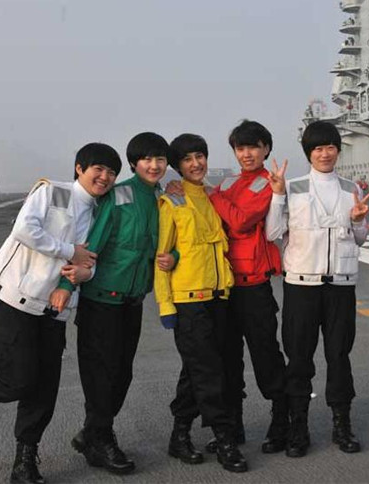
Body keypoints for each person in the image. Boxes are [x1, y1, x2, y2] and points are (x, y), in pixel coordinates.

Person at [0, 143, 121, 484]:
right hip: (16, 300)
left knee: (43, 390)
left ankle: (24, 460)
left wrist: (85, 273)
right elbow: (24, 230)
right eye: (98, 168)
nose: (105, 177)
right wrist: (70, 251)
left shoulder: (100, 213)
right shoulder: (54, 193)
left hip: (54, 311)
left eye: (112, 172)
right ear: (79, 168)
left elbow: (91, 263)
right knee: (15, 379)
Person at [63, 132, 174, 475]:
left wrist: (175, 256)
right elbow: (92, 245)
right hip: (102, 300)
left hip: (133, 300)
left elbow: (171, 240)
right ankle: (101, 439)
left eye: (160, 160)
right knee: (102, 374)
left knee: (121, 374)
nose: (154, 166)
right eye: (147, 159)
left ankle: (91, 432)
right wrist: (65, 284)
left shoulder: (163, 198)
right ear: (134, 163)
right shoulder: (119, 194)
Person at [265, 123, 369, 458]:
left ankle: (342, 425)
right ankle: (299, 428)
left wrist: (356, 220)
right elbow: (272, 232)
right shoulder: (292, 188)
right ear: (308, 153)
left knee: (339, 358)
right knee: (299, 360)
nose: (324, 154)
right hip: (301, 287)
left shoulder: (351, 188)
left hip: (340, 286)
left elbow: (359, 238)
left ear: (338, 150)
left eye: (330, 147)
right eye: (317, 149)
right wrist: (277, 195)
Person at [155, 133, 248, 473]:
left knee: (197, 370)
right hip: (188, 300)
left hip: (219, 297)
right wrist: (166, 305)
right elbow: (161, 256)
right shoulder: (172, 202)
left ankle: (179, 434)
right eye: (187, 159)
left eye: (200, 156)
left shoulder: (212, 196)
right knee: (209, 373)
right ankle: (224, 440)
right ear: (177, 166)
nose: (196, 164)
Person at [202, 121, 288, 454]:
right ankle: (231, 426)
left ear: (266, 148)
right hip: (223, 285)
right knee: (227, 359)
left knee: (265, 354)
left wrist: (212, 196)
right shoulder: (228, 182)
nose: (247, 154)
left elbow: (239, 220)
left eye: (253, 146)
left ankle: (282, 420)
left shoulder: (270, 183)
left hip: (253, 285)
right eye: (240, 148)